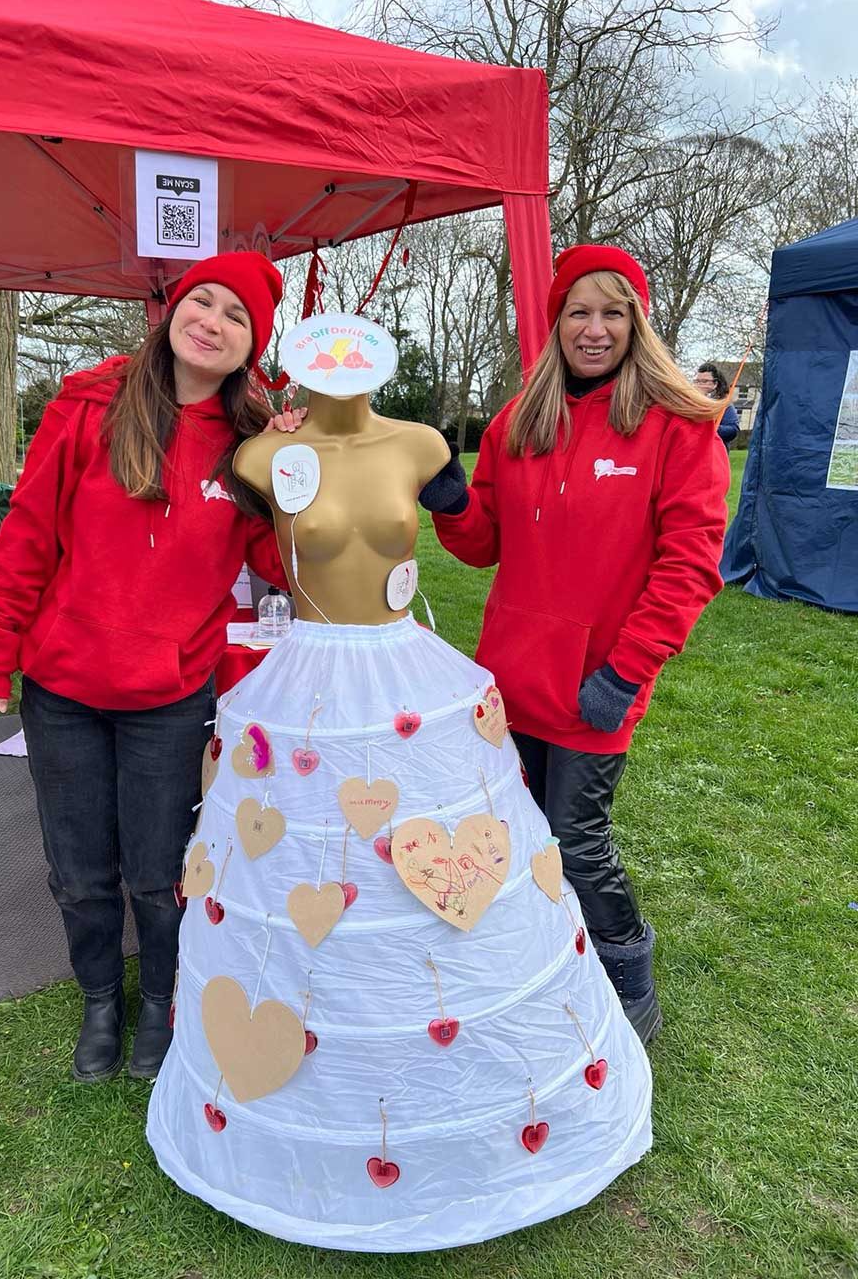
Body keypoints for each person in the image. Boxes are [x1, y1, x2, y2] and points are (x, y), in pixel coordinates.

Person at [146, 358, 653, 1251]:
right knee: (309, 869)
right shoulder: (266, 456)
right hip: (305, 677)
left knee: (439, 886)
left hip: (404, 666)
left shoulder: (422, 444)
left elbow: (481, 534)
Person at [0, 253, 288, 1083]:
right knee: (78, 870)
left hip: (170, 696)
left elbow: (286, 568)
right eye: (201, 301)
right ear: (175, 308)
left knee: (158, 870)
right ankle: (100, 999)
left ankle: (158, 1005)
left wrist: (299, 475)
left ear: (252, 344)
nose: (211, 321)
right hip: (64, 686)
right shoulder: (90, 406)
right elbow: (29, 534)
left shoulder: (249, 447)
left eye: (235, 316)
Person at [419, 245, 730, 1045]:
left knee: (577, 842)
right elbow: (485, 544)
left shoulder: (679, 428)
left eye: (613, 312)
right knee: (514, 836)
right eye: (579, 312)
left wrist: (628, 671)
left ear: (637, 323)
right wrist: (451, 502)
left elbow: (690, 564)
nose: (595, 330)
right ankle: (540, 961)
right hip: (511, 679)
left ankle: (628, 971)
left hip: (598, 683)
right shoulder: (518, 422)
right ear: (555, 323)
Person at [694, 362, 740, 447]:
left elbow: (733, 430)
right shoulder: (691, 403)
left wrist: (708, 427)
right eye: (697, 381)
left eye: (705, 381)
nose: (700, 385)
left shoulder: (724, 405)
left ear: (715, 384)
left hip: (714, 453)